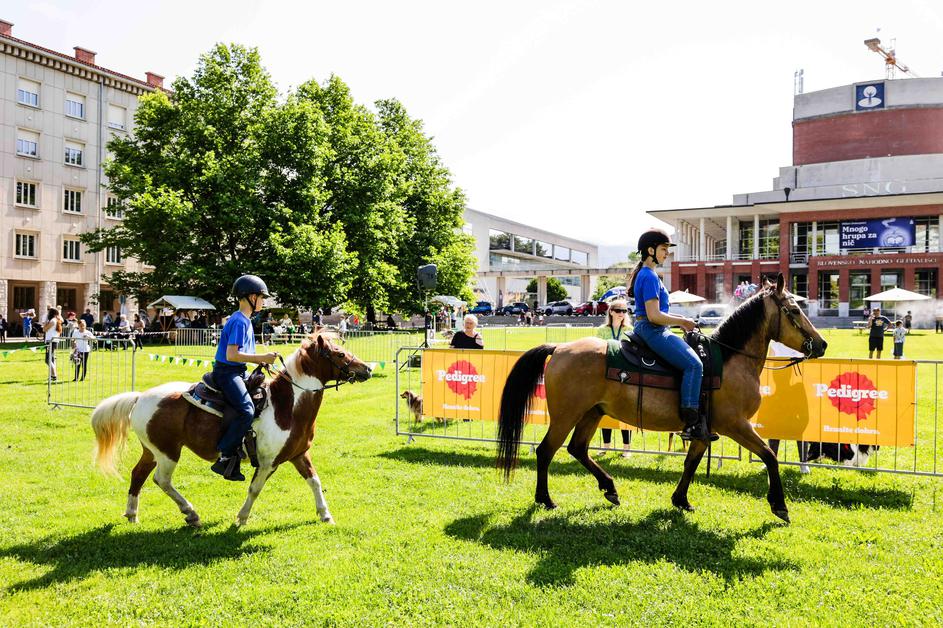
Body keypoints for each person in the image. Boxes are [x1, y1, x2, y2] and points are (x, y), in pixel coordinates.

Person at [628, 229, 716, 443]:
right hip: (652, 329)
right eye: (664, 249)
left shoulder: (649, 274)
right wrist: (682, 322)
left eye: (667, 249)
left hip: (653, 328)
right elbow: (654, 315)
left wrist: (683, 320)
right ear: (650, 250)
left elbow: (658, 314)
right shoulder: (649, 276)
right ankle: (691, 423)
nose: (667, 253)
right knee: (694, 365)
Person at [211, 275, 279, 481]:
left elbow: (243, 352)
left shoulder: (245, 320)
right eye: (262, 297)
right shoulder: (239, 321)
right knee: (246, 410)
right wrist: (261, 357)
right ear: (252, 297)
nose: (263, 302)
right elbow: (232, 355)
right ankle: (225, 456)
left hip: (238, 371)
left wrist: (262, 361)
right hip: (227, 373)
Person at [595, 298, 633, 457]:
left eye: (624, 311)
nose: (621, 314)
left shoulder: (630, 329)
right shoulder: (601, 330)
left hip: (625, 375)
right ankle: (605, 446)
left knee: (626, 411)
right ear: (611, 312)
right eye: (618, 310)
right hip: (607, 375)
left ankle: (627, 448)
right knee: (605, 409)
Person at [43, 308, 62, 382]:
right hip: (53, 341)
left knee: (47, 360)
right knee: (52, 359)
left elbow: (44, 329)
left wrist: (45, 323)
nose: (47, 314)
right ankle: (52, 376)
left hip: (51, 341)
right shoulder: (56, 320)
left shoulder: (53, 320)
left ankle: (54, 375)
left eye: (49, 312)